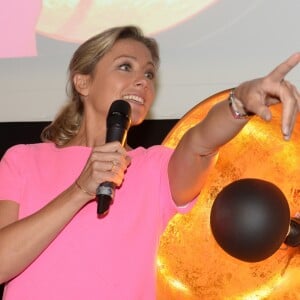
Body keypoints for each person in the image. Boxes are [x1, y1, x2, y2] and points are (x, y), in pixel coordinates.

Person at [0, 25, 299, 300]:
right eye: (125, 67)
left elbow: (202, 142)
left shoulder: (154, 167)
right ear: (83, 82)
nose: (142, 81)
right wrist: (80, 190)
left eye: (149, 74)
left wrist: (239, 103)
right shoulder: (23, 160)